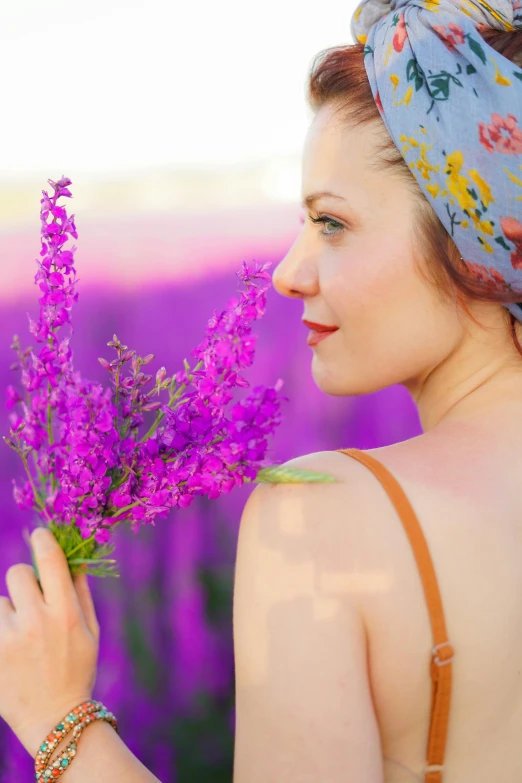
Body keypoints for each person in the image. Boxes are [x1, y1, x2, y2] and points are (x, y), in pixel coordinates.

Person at [1, 1, 521, 782]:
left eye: (332, 223)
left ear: (473, 239)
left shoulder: (320, 522)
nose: (286, 272)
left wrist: (56, 716)